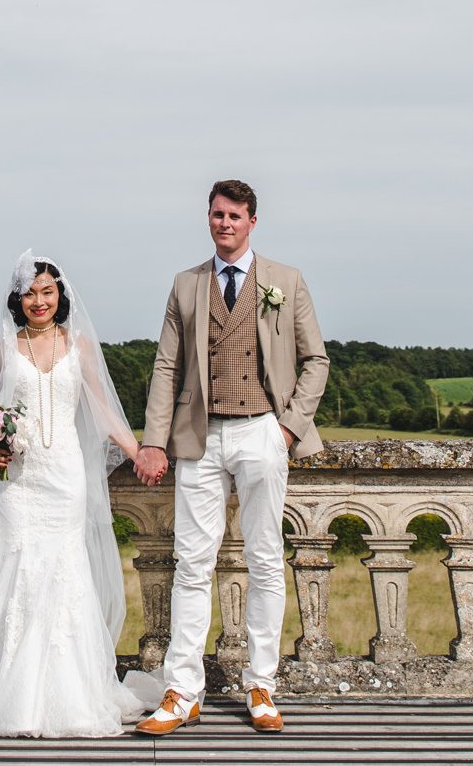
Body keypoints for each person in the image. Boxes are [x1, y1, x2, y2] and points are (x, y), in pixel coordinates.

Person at [132, 179, 330, 735]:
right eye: (216, 215)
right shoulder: (186, 284)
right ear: (209, 218)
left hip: (264, 432)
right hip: (201, 435)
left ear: (252, 221)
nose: (224, 223)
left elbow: (316, 360)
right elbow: (166, 367)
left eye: (234, 216)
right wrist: (154, 439)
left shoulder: (286, 281)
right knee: (191, 563)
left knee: (265, 558)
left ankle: (262, 685)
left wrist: (288, 430)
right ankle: (181, 691)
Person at [0, 252, 160, 737]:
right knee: (15, 572)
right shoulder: (5, 347)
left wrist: (137, 450)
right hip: (17, 481)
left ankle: (72, 696)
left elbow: (103, 407)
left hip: (64, 478)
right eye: (30, 293)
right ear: (18, 299)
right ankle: (7, 692)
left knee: (63, 573)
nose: (39, 301)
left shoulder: (77, 344)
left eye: (47, 292)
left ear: (61, 296)